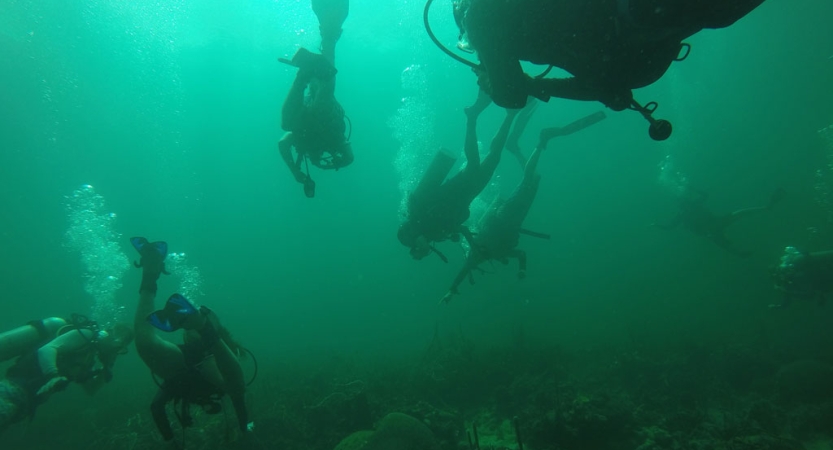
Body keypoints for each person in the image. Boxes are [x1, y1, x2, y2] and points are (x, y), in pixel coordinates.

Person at [448, 0, 765, 138]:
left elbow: (512, 96)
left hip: (643, 29)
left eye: (469, 40)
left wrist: (499, 83)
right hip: (643, 34)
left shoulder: (477, 14)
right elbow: (602, 87)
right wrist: (533, 84)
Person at [441, 110, 606, 303]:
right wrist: (522, 270)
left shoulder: (478, 252)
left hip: (505, 216)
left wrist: (452, 289)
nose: (501, 261)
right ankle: (516, 147)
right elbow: (521, 254)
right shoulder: (498, 252)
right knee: (533, 180)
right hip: (513, 219)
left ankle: (541, 141)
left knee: (530, 180)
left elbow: (463, 272)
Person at [130, 237, 254, 448]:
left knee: (146, 343)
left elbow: (156, 406)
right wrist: (244, 428)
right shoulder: (195, 356)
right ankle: (200, 323)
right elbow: (236, 393)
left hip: (203, 355)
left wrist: (171, 441)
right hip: (193, 359)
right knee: (146, 343)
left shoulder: (211, 359)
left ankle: (153, 281)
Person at [398, 90, 518, 261]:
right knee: (494, 156)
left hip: (455, 190)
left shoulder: (410, 232)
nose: (426, 250)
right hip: (467, 195)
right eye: (425, 253)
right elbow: (459, 227)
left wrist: (417, 239)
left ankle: (472, 117)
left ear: (414, 247)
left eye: (421, 251)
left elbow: (405, 230)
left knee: (474, 163)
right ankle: (510, 115)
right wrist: (471, 243)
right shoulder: (436, 235)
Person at [0, 316, 133, 433]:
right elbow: (46, 350)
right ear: (109, 335)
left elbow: (90, 389)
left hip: (26, 403)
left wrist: (107, 368)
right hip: (13, 388)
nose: (116, 352)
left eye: (121, 350)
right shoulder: (85, 335)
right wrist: (53, 375)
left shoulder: (89, 357)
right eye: (117, 346)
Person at [279, 0, 352, 198]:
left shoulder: (304, 141)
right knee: (323, 92)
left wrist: (295, 171)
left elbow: (283, 144)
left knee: (287, 124)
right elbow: (349, 158)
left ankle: (303, 76)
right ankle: (329, 36)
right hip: (323, 107)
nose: (315, 156)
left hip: (310, 105)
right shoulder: (333, 141)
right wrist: (331, 165)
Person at [655, 187, 785, 257]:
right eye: (683, 202)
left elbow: (705, 195)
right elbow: (669, 227)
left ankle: (767, 207)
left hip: (715, 224)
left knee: (740, 214)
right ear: (681, 205)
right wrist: (657, 226)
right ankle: (742, 254)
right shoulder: (683, 214)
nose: (685, 203)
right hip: (710, 230)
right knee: (727, 245)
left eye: (685, 201)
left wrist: (693, 189)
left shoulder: (692, 206)